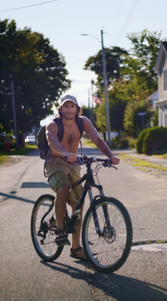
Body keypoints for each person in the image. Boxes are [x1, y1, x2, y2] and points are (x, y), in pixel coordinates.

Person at [45, 94, 120, 261]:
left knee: (77, 204)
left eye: (72, 106)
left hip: (74, 163)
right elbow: (52, 142)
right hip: (55, 161)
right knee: (63, 188)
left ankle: (76, 247)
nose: (69, 109)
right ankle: (59, 230)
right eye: (66, 106)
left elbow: (96, 138)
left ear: (77, 109)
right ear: (61, 109)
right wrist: (65, 153)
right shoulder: (53, 124)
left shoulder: (83, 121)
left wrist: (110, 156)